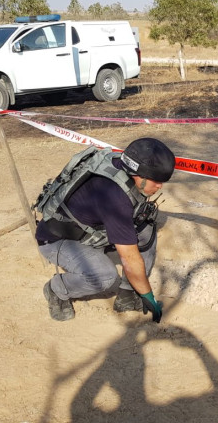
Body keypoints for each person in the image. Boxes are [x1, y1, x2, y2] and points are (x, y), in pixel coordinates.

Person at [34, 138, 176, 322]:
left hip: (91, 230)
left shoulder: (120, 165)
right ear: (138, 175)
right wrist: (148, 296)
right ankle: (56, 289)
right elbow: (130, 258)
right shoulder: (114, 197)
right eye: (156, 181)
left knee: (146, 230)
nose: (160, 186)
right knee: (104, 277)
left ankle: (128, 294)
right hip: (58, 239)